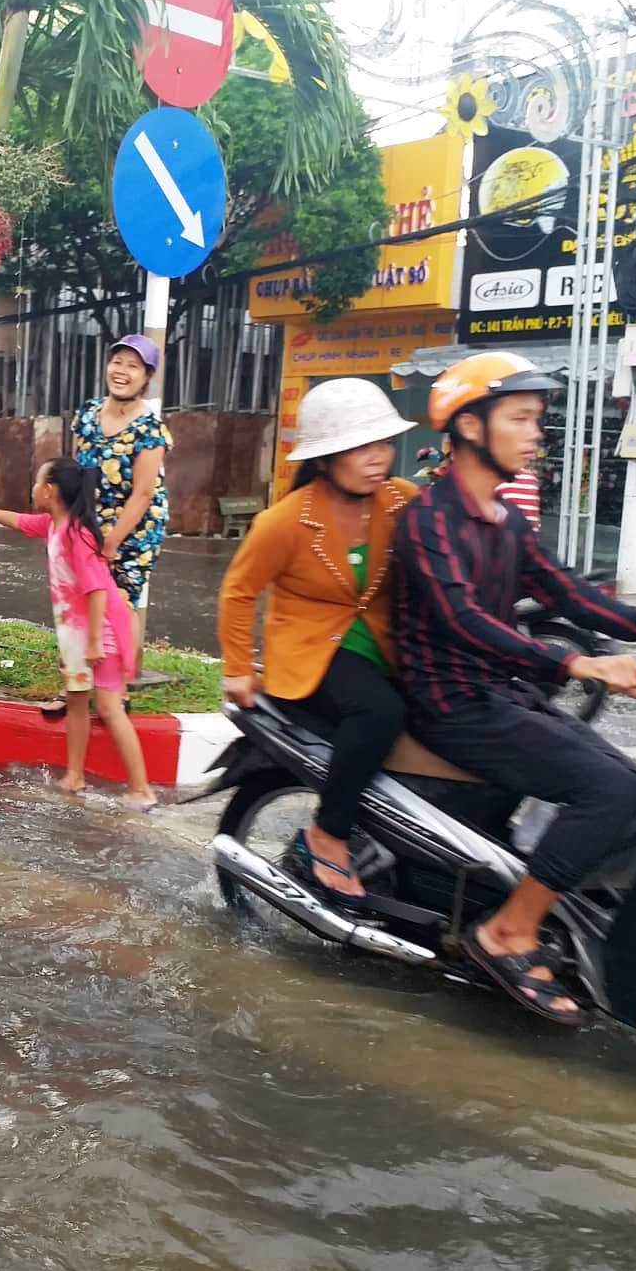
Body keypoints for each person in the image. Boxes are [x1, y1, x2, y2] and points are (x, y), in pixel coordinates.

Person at [392, 350, 636, 1024]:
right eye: (523, 419)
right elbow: (463, 619)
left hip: (498, 696)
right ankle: (506, 932)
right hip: (451, 705)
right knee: (610, 788)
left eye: (538, 420)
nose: (538, 433)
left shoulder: (506, 521)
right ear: (471, 427)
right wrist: (573, 666)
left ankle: (549, 904)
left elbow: (569, 594)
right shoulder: (428, 520)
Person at [218, 379, 419, 901]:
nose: (378, 458)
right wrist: (238, 667)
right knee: (379, 714)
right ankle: (326, 833)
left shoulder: (401, 502)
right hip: (311, 655)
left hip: (384, 645)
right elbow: (239, 592)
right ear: (327, 457)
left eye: (383, 444)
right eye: (361, 447)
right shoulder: (284, 522)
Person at [0, 458, 157, 810]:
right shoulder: (53, 524)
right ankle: (75, 776)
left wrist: (96, 640)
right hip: (76, 636)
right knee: (78, 701)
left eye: (37, 481)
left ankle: (141, 788)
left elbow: (97, 590)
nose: (33, 488)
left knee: (111, 708)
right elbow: (20, 522)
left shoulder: (77, 534)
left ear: (49, 490)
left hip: (102, 633)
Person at [73, 336, 171, 628]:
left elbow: (142, 494)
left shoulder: (150, 430)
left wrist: (110, 543)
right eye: (117, 362)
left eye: (133, 366)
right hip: (89, 522)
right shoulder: (87, 414)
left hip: (134, 531)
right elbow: (74, 473)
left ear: (146, 378)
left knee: (117, 607)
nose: (121, 371)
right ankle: (85, 670)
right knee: (84, 603)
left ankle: (119, 673)